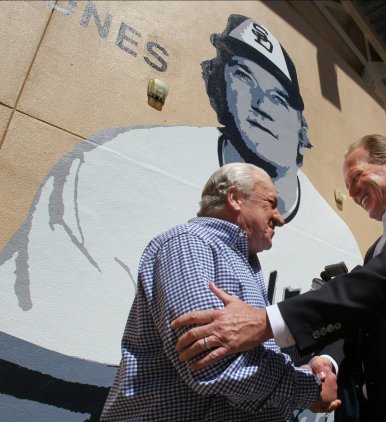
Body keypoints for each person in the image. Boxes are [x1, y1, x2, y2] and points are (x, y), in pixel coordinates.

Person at [0, 14, 361, 367]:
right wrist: (304, 389)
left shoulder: (339, 237)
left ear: (302, 126)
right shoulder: (120, 160)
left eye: (279, 98)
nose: (258, 102)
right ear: (221, 86)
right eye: (242, 78)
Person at [172, 134, 386, 421]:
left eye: (357, 178)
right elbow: (360, 315)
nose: (353, 193)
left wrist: (270, 321)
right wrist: (326, 363)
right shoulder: (375, 252)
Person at [100, 163, 340, 421]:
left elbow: (253, 353)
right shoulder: (190, 243)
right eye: (271, 204)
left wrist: (311, 363)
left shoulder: (242, 262)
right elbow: (210, 362)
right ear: (235, 198)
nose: (280, 218)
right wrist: (309, 388)